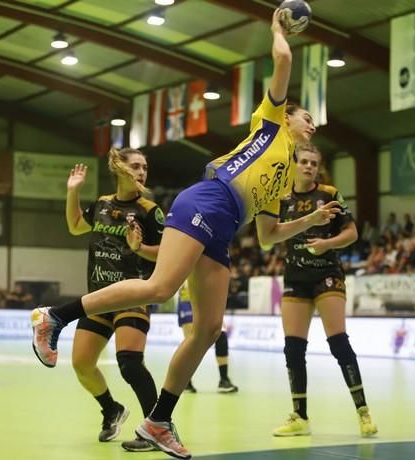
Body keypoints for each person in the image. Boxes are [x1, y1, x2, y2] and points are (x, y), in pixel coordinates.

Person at [30, 9, 341, 459]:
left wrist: (308, 223)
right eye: (305, 116)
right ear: (287, 116)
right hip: (209, 199)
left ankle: (158, 421)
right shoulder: (270, 124)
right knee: (160, 286)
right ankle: (54, 317)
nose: (311, 123)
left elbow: (270, 235)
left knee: (209, 327)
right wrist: (277, 29)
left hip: (225, 227)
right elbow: (284, 63)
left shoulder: (284, 175)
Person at [272, 144, 377, 438]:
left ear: (319, 168)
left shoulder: (329, 195)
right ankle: (300, 417)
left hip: (327, 275)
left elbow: (352, 233)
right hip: (295, 276)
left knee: (338, 342)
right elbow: (269, 235)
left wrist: (327, 244)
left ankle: (363, 412)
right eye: (303, 161)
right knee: (293, 347)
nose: (308, 166)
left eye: (313, 163)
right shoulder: (281, 199)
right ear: (294, 165)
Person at [64, 150, 164, 452]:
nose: (142, 172)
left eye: (145, 167)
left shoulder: (150, 210)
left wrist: (141, 247)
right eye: (136, 166)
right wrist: (73, 192)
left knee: (130, 364)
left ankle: (157, 427)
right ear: (120, 169)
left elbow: (166, 253)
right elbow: (76, 226)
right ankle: (111, 410)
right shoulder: (103, 204)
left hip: (133, 294)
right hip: (99, 296)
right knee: (82, 364)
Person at [176, 280, 239, 394]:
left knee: (221, 335)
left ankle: (224, 380)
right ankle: (185, 382)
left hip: (207, 299)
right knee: (193, 342)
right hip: (188, 300)